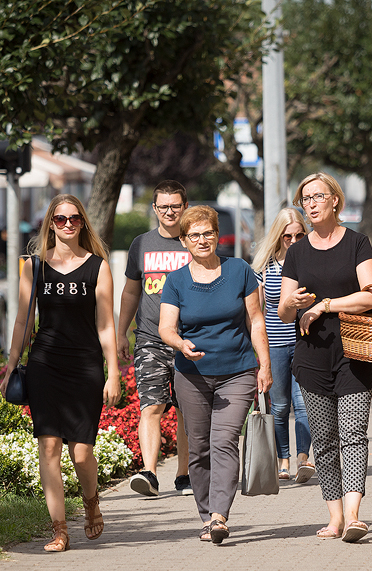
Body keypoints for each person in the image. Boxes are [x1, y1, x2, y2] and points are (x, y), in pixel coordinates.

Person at [0, 194, 122, 552]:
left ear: (82, 222)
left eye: (73, 219)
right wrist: (11, 364)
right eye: (60, 219)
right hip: (44, 365)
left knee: (81, 452)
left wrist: (112, 371)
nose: (67, 224)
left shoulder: (98, 266)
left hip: (85, 365)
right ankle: (59, 530)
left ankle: (91, 502)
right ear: (50, 224)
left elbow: (105, 325)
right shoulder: (33, 266)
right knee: (49, 446)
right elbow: (23, 320)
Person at [278, 172, 372, 543]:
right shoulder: (297, 251)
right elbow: (282, 312)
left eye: (317, 196)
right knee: (323, 438)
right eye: (305, 199)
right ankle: (335, 517)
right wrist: (291, 304)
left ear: (335, 200)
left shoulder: (357, 243)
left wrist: (325, 305)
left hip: (355, 354)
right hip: (310, 358)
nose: (310, 204)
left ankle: (355, 515)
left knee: (353, 433)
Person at [159, 205, 272, 544]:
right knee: (200, 448)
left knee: (224, 441)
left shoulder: (239, 270)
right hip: (191, 375)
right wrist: (181, 343)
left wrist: (264, 364)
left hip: (236, 371)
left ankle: (220, 515)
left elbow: (255, 320)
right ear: (184, 241)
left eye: (208, 233)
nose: (202, 239)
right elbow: (166, 327)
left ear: (217, 235)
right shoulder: (176, 281)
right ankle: (206, 515)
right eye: (194, 235)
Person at [118, 180, 192, 497]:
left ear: (184, 207)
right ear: (154, 209)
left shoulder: (195, 242)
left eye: (175, 206)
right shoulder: (142, 244)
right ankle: (149, 473)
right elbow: (131, 291)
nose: (169, 212)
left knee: (189, 409)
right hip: (149, 337)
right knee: (152, 405)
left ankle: (185, 474)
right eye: (163, 206)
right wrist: (121, 331)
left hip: (190, 339)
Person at [251, 208, 315, 483]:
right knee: (278, 406)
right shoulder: (265, 265)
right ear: (279, 235)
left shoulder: (311, 260)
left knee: (304, 404)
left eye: (300, 234)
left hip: (306, 341)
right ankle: (283, 460)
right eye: (288, 235)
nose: (294, 240)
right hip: (275, 343)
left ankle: (303, 458)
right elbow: (256, 312)